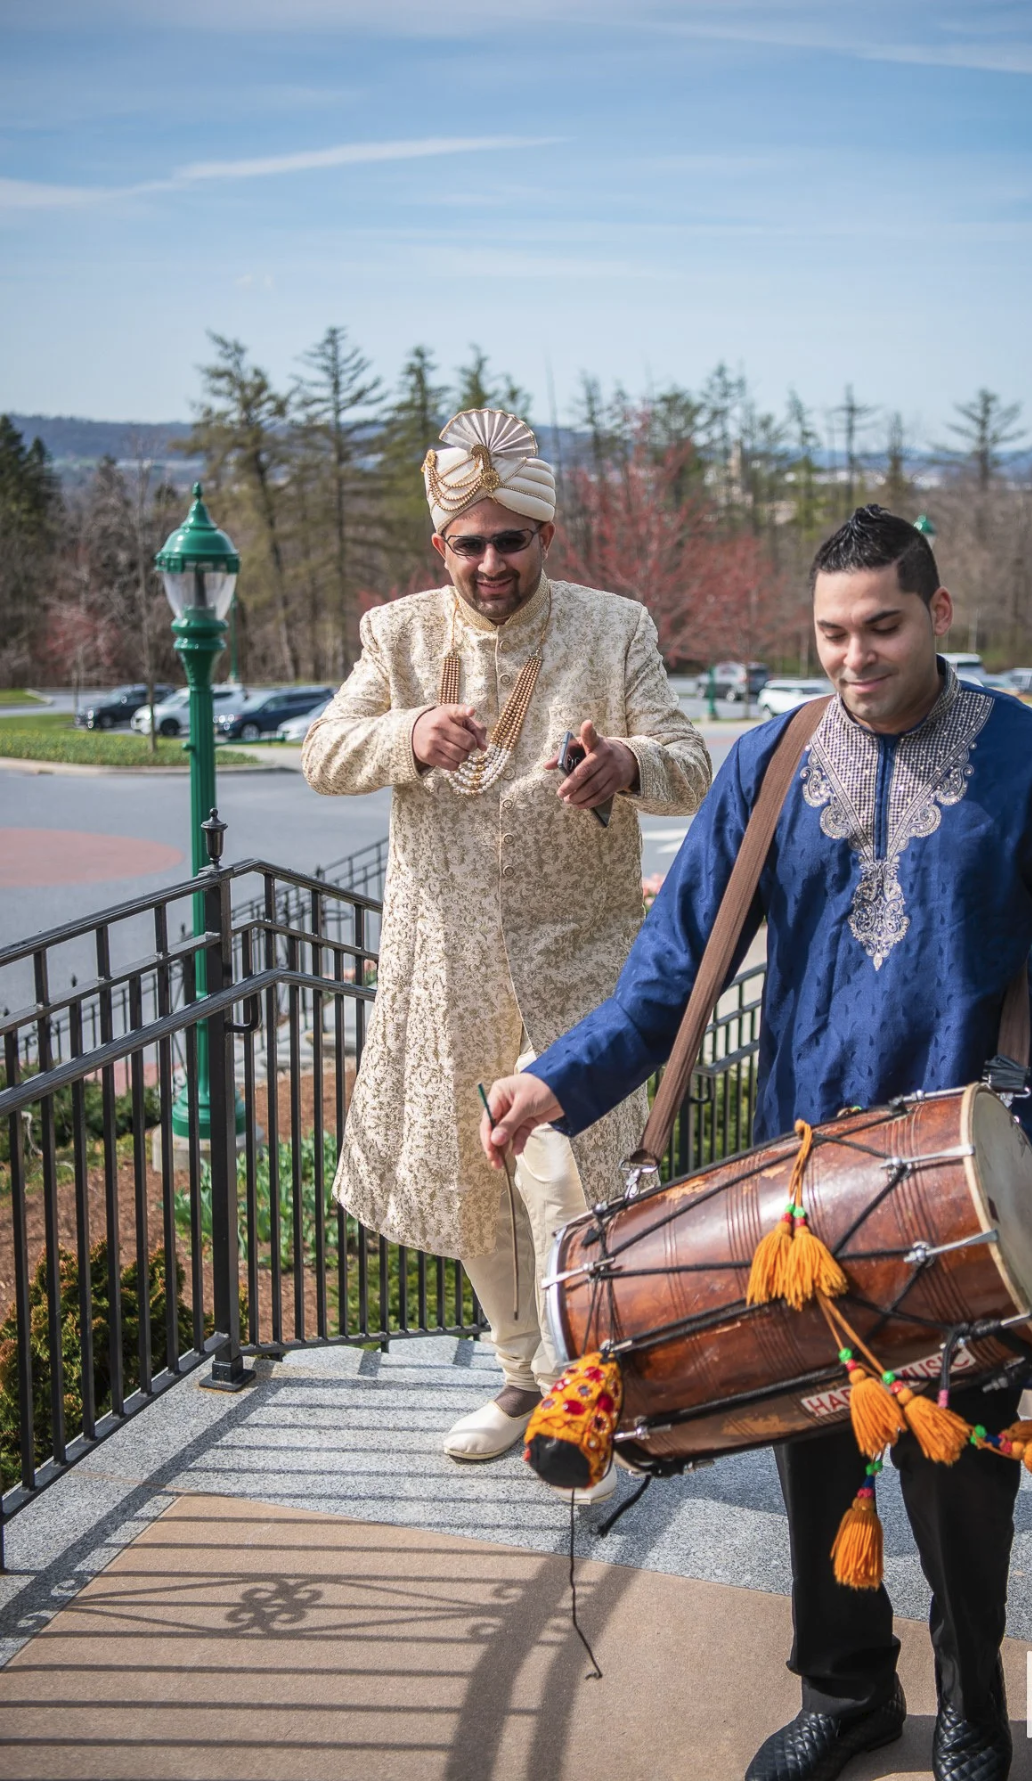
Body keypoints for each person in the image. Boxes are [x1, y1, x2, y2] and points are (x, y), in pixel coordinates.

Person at [481, 505, 1032, 1780]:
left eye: (882, 627)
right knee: (811, 1444)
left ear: (938, 618)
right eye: (829, 634)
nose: (854, 657)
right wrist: (555, 1081)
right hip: (793, 1196)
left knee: (960, 1476)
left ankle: (974, 1711)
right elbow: (668, 975)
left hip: (968, 1186)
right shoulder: (768, 763)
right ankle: (846, 1692)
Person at [302, 407, 710, 1499]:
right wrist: (405, 738)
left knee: (563, 1177)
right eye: (469, 544)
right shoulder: (396, 637)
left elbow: (692, 765)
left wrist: (623, 762)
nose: (492, 563)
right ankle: (520, 1382)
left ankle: (593, 1384)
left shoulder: (611, 627)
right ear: (442, 549)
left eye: (511, 539)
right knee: (477, 1182)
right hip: (446, 966)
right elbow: (321, 753)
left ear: (545, 536)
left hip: (580, 959)